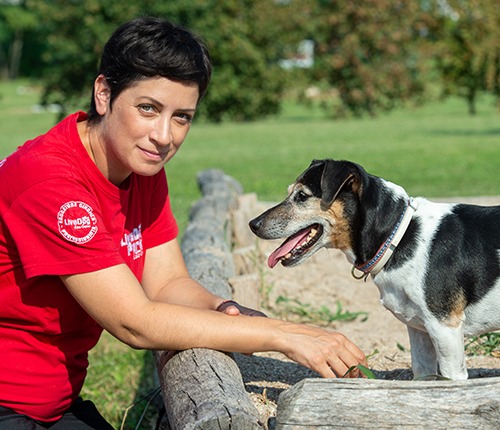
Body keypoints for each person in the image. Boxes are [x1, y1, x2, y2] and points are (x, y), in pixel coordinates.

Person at [0, 16, 367, 429]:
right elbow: (133, 321)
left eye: (182, 117)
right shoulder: (51, 182)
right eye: (147, 108)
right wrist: (284, 335)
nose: (163, 135)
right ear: (103, 94)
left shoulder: (141, 170)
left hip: (51, 405)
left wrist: (226, 310)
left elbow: (167, 284)